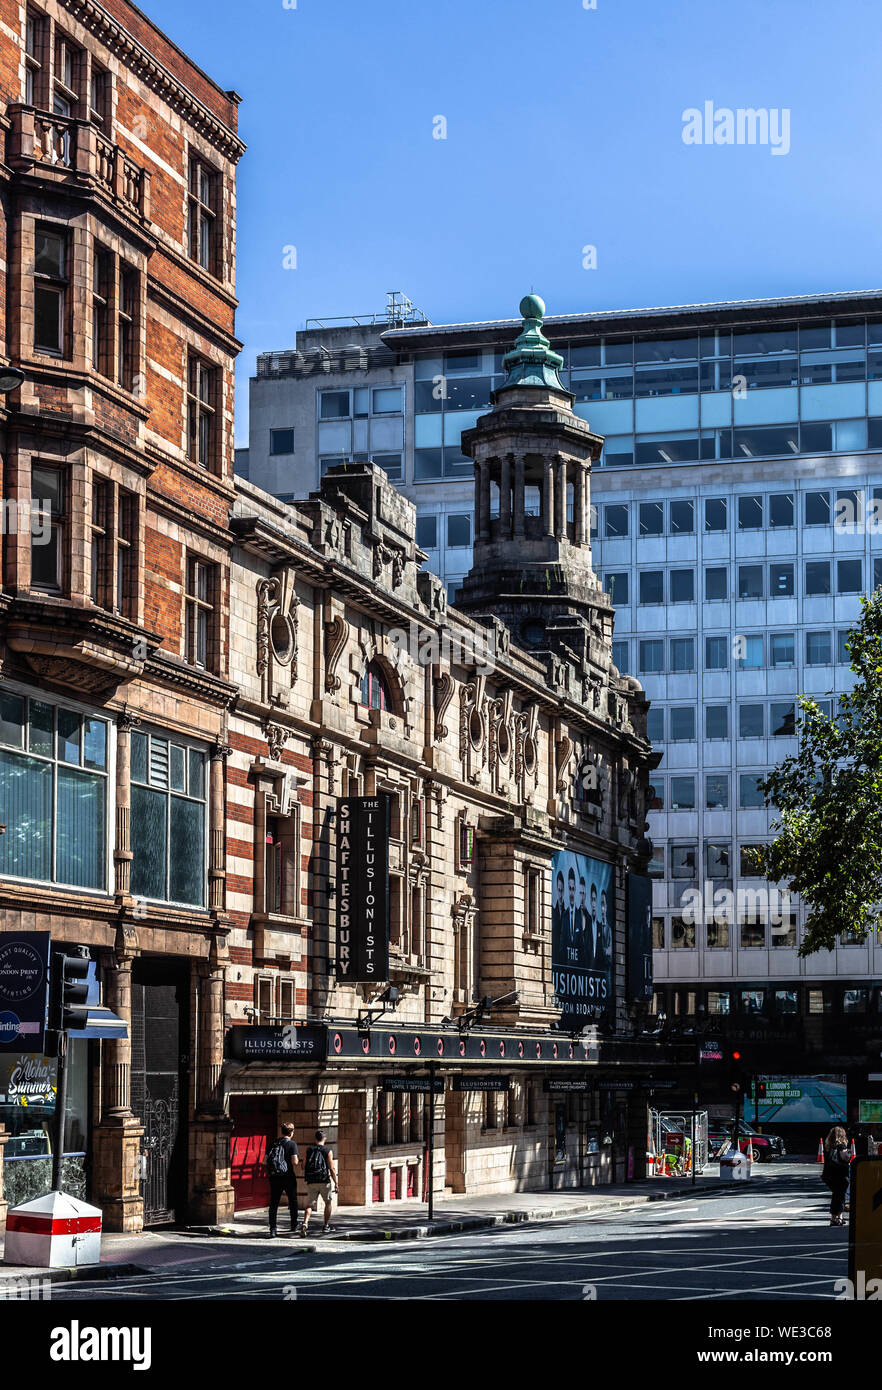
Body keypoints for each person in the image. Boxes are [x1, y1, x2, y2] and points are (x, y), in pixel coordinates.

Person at [300, 1130, 338, 1236]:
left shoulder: (309, 1150)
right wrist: (336, 1182)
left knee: (310, 1204)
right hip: (324, 1180)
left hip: (312, 1181)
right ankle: (326, 1226)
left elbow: (303, 1166)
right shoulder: (328, 1151)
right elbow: (331, 1168)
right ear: (324, 1139)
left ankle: (305, 1223)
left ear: (315, 1139)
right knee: (328, 1203)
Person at [266, 1121, 299, 1237]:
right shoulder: (292, 1144)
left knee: (274, 1203)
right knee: (293, 1200)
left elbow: (264, 1160)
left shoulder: (273, 1143)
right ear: (291, 1133)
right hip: (288, 1176)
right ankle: (294, 1224)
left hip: (275, 1177)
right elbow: (295, 1162)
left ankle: (273, 1229)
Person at [822, 1125, 850, 1226]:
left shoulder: (828, 1147)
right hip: (840, 1175)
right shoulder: (841, 1147)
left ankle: (838, 1218)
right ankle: (834, 1219)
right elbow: (845, 1158)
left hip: (828, 1175)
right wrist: (849, 1154)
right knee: (840, 1196)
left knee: (837, 1196)